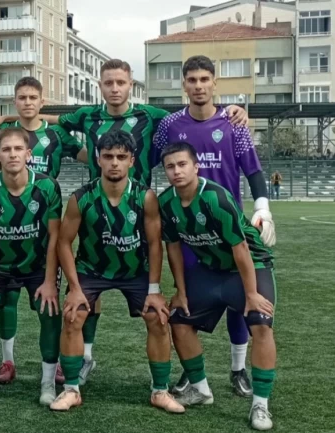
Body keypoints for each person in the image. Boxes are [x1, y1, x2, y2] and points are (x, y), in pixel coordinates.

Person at [0, 59, 248, 386]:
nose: (114, 88)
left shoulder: (149, 115)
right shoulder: (88, 116)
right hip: (96, 211)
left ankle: (166, 383)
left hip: (137, 211)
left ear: (130, 84)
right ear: (100, 85)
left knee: (153, 307)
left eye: (120, 83)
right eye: (108, 83)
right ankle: (85, 359)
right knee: (88, 294)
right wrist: (8, 118)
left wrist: (229, 110)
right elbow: (44, 117)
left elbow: (190, 113)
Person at [153, 55, 276, 397]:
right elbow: (150, 160)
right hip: (187, 229)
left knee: (240, 300)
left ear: (214, 83)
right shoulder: (169, 124)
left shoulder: (233, 122)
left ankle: (238, 369)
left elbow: (253, 170)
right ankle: (192, 373)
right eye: (192, 80)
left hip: (227, 227)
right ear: (184, 84)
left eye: (204, 79)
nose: (198, 86)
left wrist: (263, 207)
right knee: (190, 299)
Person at [49, 130, 183, 414]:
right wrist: (74, 288)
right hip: (92, 269)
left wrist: (154, 290)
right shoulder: (81, 198)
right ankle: (71, 390)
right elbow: (63, 242)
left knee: (158, 318)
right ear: (98, 159)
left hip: (135, 271)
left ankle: (160, 391)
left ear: (131, 160)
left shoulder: (145, 197)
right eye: (108, 156)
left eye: (121, 157)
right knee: (73, 315)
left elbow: (155, 244)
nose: (114, 163)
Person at [158, 142, 277, 431]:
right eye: (170, 166)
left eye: (182, 164)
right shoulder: (165, 203)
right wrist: (181, 291)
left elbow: (241, 249)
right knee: (178, 319)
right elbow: (173, 248)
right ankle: (200, 389)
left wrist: (251, 294)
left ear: (196, 167)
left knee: (261, 323)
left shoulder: (216, 197)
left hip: (250, 265)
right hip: (211, 269)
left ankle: (260, 405)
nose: (176, 171)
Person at [0, 76, 86, 384]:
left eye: (33, 98)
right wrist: (4, 120)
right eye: (22, 98)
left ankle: (55, 362)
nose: (27, 102)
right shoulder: (4, 136)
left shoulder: (57, 134)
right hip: (8, 226)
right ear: (14, 102)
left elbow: (87, 157)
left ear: (42, 102)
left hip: (45, 226)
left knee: (49, 301)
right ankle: (7, 361)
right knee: (7, 300)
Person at [0, 127, 63, 406]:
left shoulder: (47, 187)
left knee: (49, 310)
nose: (13, 154)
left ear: (28, 154)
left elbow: (55, 237)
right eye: (6, 150)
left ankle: (48, 382)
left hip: (37, 266)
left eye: (18, 149)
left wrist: (50, 282)